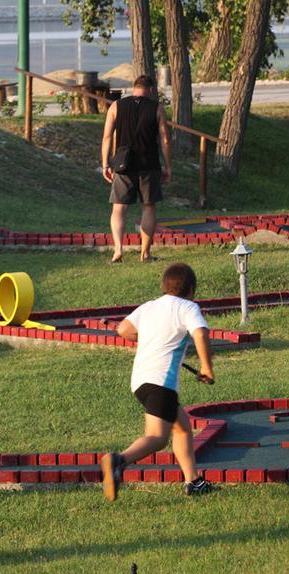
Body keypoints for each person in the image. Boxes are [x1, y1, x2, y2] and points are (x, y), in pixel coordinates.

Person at [101, 263, 215, 500]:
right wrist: (206, 366)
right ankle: (118, 461)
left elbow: (123, 329)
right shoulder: (188, 307)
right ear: (191, 289)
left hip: (141, 381)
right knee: (158, 437)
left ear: (165, 286)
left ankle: (194, 481)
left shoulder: (149, 307)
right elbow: (201, 333)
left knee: (182, 426)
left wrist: (152, 339)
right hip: (161, 382)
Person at [100, 74, 172, 264]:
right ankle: (145, 254)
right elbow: (164, 139)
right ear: (150, 90)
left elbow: (107, 136)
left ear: (134, 88)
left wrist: (105, 163)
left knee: (119, 208)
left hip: (123, 165)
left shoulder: (116, 106)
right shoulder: (156, 108)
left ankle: (117, 251)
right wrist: (168, 166)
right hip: (149, 164)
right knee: (148, 208)